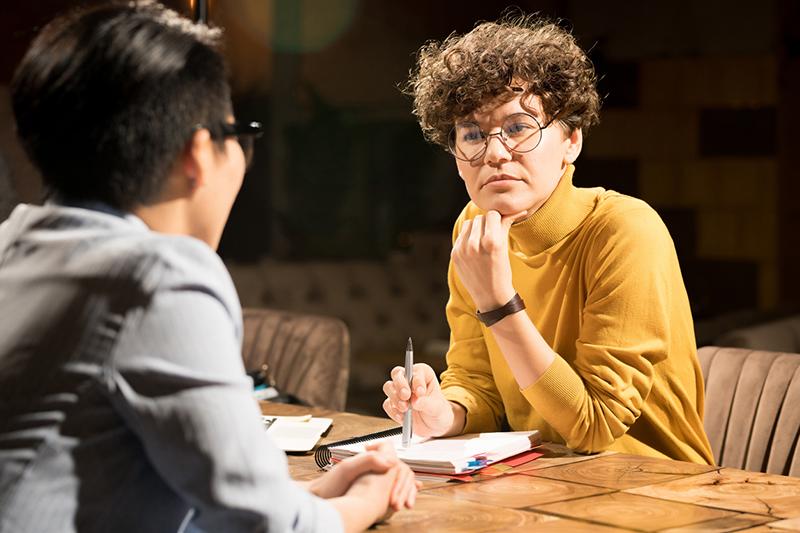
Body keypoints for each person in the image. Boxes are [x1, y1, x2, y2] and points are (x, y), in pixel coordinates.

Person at [0, 2, 416, 532]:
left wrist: (308, 493)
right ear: (199, 152)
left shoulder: (13, 244)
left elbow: (136, 486)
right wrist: (368, 500)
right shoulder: (157, 276)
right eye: (237, 133)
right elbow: (264, 527)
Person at [382, 15, 714, 465]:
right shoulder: (475, 228)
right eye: (473, 134)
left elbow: (595, 426)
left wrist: (499, 304)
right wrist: (445, 412)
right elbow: (479, 381)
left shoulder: (625, 230)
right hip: (539, 484)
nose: (495, 153)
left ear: (571, 141)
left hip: (654, 488)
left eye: (518, 127)